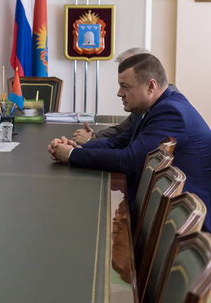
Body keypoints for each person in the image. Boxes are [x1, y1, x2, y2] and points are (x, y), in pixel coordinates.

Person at [48, 53, 211, 230]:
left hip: (185, 221)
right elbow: (117, 142)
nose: (119, 93)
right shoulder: (154, 107)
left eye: (125, 86)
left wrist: (72, 155)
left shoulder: (171, 112)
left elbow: (129, 160)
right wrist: (78, 147)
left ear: (150, 86)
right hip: (166, 209)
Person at [73, 47, 150, 145]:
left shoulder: (166, 108)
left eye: (125, 86)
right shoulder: (142, 103)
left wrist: (90, 142)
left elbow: (132, 152)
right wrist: (95, 136)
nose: (119, 93)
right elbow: (121, 131)